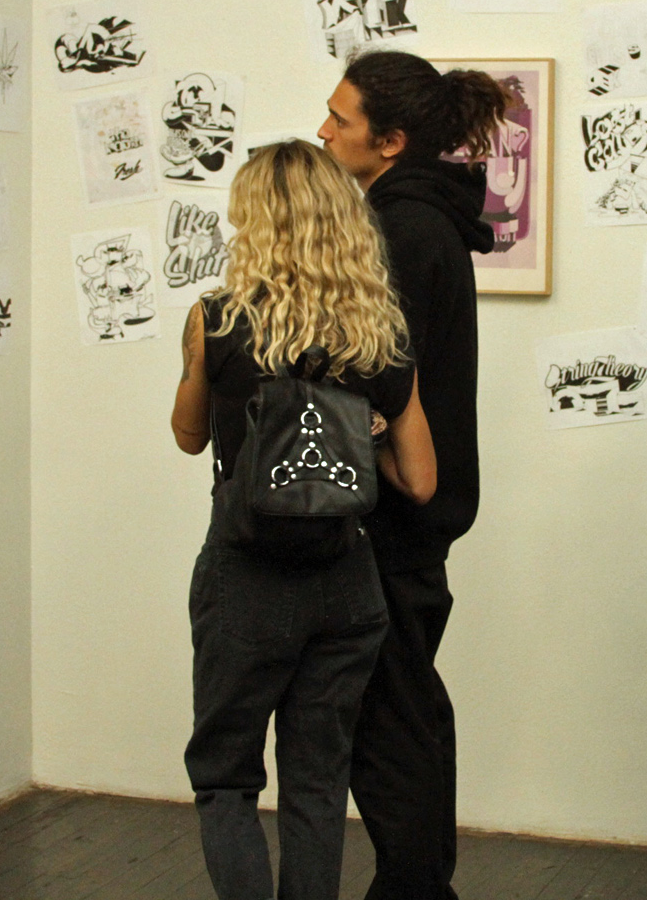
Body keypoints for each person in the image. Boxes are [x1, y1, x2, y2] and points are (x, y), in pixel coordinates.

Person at [171, 139, 437, 900]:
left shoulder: (215, 320)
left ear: (255, 222)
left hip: (243, 581)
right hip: (345, 585)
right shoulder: (379, 334)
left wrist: (211, 375)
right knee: (318, 782)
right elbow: (420, 482)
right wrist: (363, 431)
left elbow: (189, 436)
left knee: (226, 778)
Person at [315, 50, 507, 900]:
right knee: (407, 711)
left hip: (394, 514)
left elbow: (385, 383)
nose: (324, 131)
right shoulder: (421, 219)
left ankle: (416, 888)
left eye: (341, 119)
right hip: (411, 514)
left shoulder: (397, 230)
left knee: (392, 723)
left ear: (390, 141)